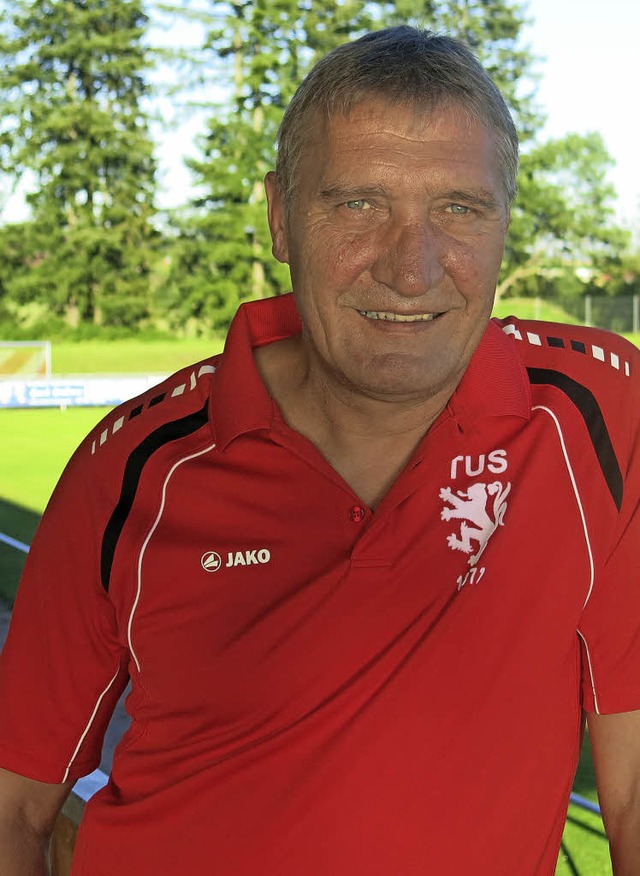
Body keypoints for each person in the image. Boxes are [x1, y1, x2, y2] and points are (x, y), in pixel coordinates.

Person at [0, 25, 639, 876]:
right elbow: (14, 804)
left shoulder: (598, 417)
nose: (411, 268)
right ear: (279, 217)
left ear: (503, 225)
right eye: (358, 205)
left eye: (458, 208)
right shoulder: (133, 467)